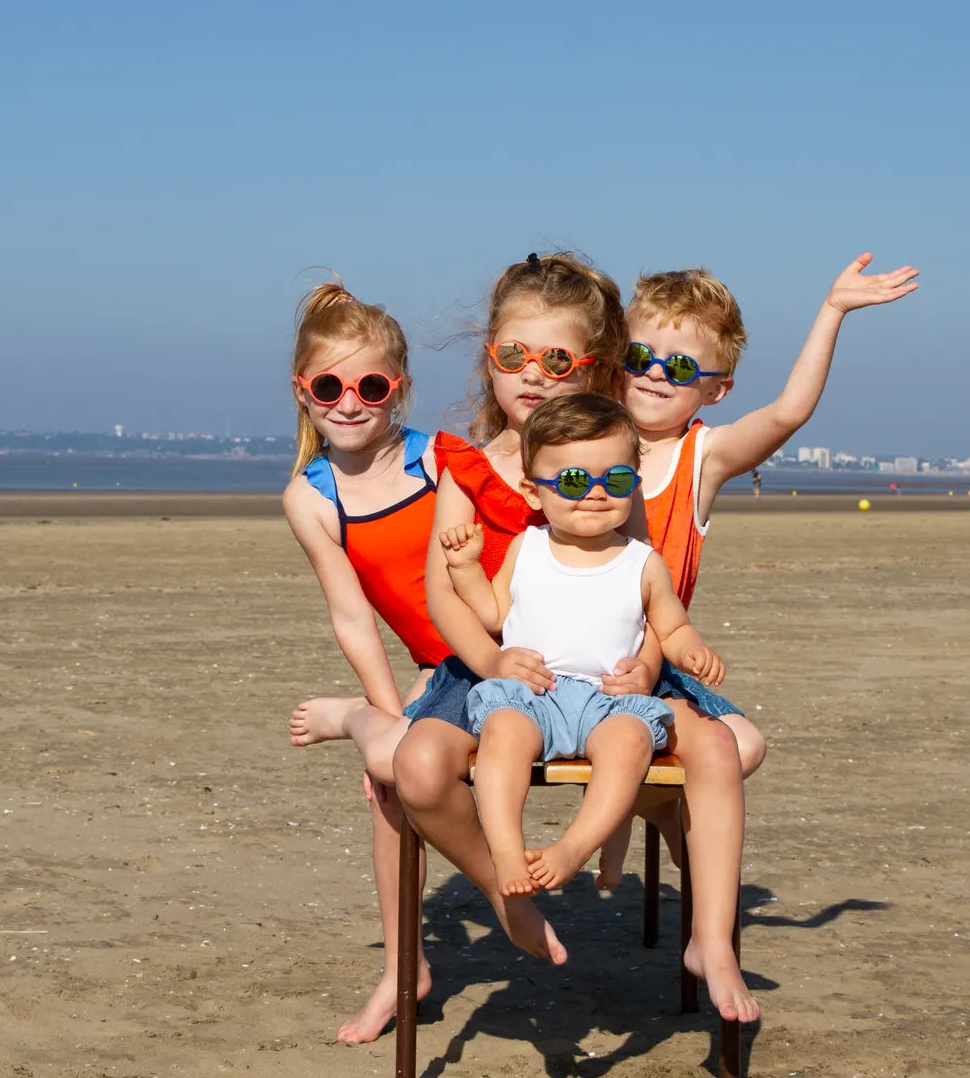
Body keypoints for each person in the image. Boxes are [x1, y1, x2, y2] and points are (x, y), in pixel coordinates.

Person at [392, 252, 760, 1022]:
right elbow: (447, 597)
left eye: (556, 360)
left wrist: (652, 660)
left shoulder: (607, 462)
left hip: (611, 672)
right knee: (419, 767)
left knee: (720, 745)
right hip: (497, 663)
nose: (533, 375)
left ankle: (714, 939)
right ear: (489, 356)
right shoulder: (470, 464)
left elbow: (643, 582)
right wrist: (492, 659)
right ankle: (507, 888)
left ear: (591, 367)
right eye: (513, 356)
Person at [601, 251, 920, 879]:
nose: (655, 375)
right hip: (572, 659)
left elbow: (787, 413)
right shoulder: (581, 438)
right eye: (639, 358)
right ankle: (646, 810)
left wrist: (832, 311)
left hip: (655, 663)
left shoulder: (704, 457)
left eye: (681, 366)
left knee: (744, 745)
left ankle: (652, 807)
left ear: (715, 389)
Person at [440, 394, 724, 897]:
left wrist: (691, 651)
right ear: (533, 491)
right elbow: (494, 615)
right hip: (532, 694)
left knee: (630, 745)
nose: (595, 493)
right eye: (573, 480)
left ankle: (574, 848)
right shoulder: (526, 549)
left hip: (608, 699)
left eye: (614, 480)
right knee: (503, 736)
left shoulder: (641, 561)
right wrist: (465, 570)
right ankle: (506, 850)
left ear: (633, 485)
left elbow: (671, 627)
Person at [281, 277, 446, 1043]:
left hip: (500, 652)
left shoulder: (438, 462)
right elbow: (352, 619)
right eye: (330, 385)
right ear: (303, 390)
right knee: (389, 777)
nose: (350, 402)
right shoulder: (311, 498)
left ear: (398, 391)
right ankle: (401, 970)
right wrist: (388, 710)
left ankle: (351, 721)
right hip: (431, 669)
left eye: (370, 386)